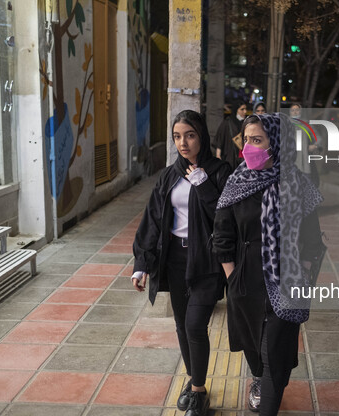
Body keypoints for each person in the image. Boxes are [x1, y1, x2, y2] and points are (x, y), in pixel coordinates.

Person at [213, 113, 323, 415]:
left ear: (276, 143)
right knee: (253, 347)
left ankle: (268, 398)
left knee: (274, 350)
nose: (250, 147)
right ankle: (258, 378)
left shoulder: (299, 184)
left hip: (285, 281)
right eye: (246, 140)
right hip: (245, 281)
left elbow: (312, 239)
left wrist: (300, 271)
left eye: (257, 140)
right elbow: (222, 236)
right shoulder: (236, 182)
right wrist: (232, 278)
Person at [132, 110, 232, 416]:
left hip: (206, 260)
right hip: (175, 259)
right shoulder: (169, 174)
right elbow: (153, 219)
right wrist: (141, 263)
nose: (183, 142)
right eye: (177, 136)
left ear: (201, 135)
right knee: (181, 326)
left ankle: (199, 392)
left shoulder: (220, 171)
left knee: (194, 326)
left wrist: (204, 186)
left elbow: (227, 220)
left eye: (189, 134)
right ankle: (195, 380)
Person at [214, 101, 248, 170]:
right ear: (236, 110)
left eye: (245, 109)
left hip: (243, 158)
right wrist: (218, 155)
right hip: (230, 157)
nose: (245, 112)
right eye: (242, 109)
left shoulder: (246, 123)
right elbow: (220, 138)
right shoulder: (228, 122)